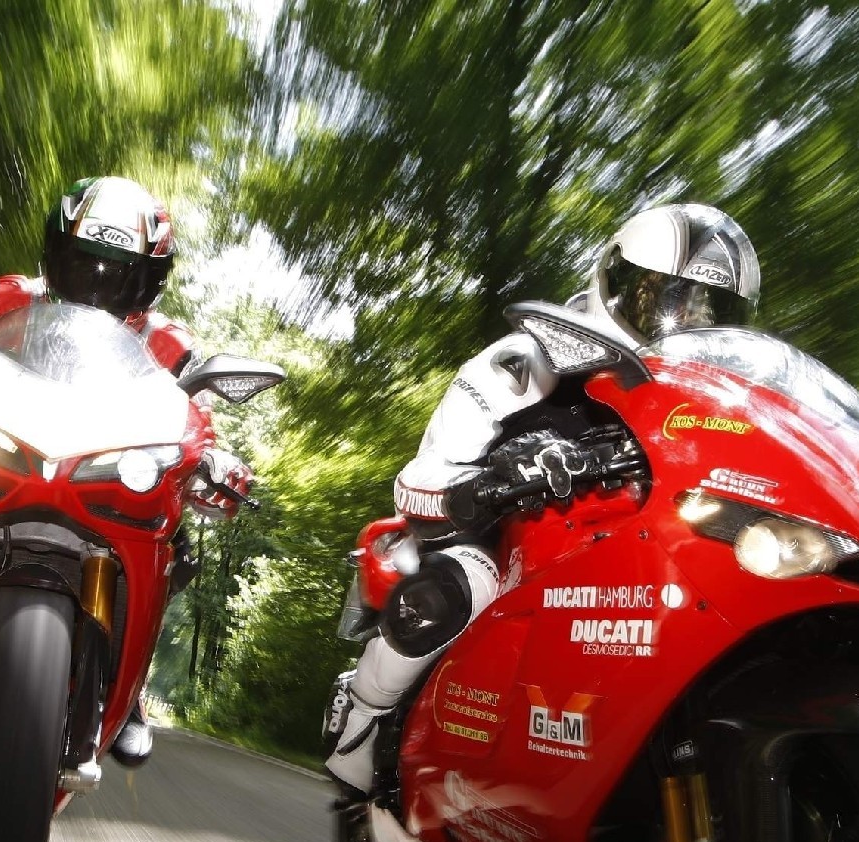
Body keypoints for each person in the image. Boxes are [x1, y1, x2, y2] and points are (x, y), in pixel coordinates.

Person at [324, 203, 760, 791]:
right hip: (513, 548)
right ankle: (363, 716)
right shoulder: (525, 360)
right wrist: (494, 478)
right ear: (617, 282)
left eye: (711, 311)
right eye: (669, 299)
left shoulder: (720, 407)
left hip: (644, 545)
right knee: (453, 589)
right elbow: (417, 483)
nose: (687, 323)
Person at [0, 175, 251, 767]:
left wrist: (213, 458)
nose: (98, 281)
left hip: (105, 467)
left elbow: (194, 417)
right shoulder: (6, 297)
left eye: (120, 271)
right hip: (1, 447)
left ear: (150, 279)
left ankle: (128, 692)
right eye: (85, 262)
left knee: (177, 549)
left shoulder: (171, 343)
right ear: (57, 252)